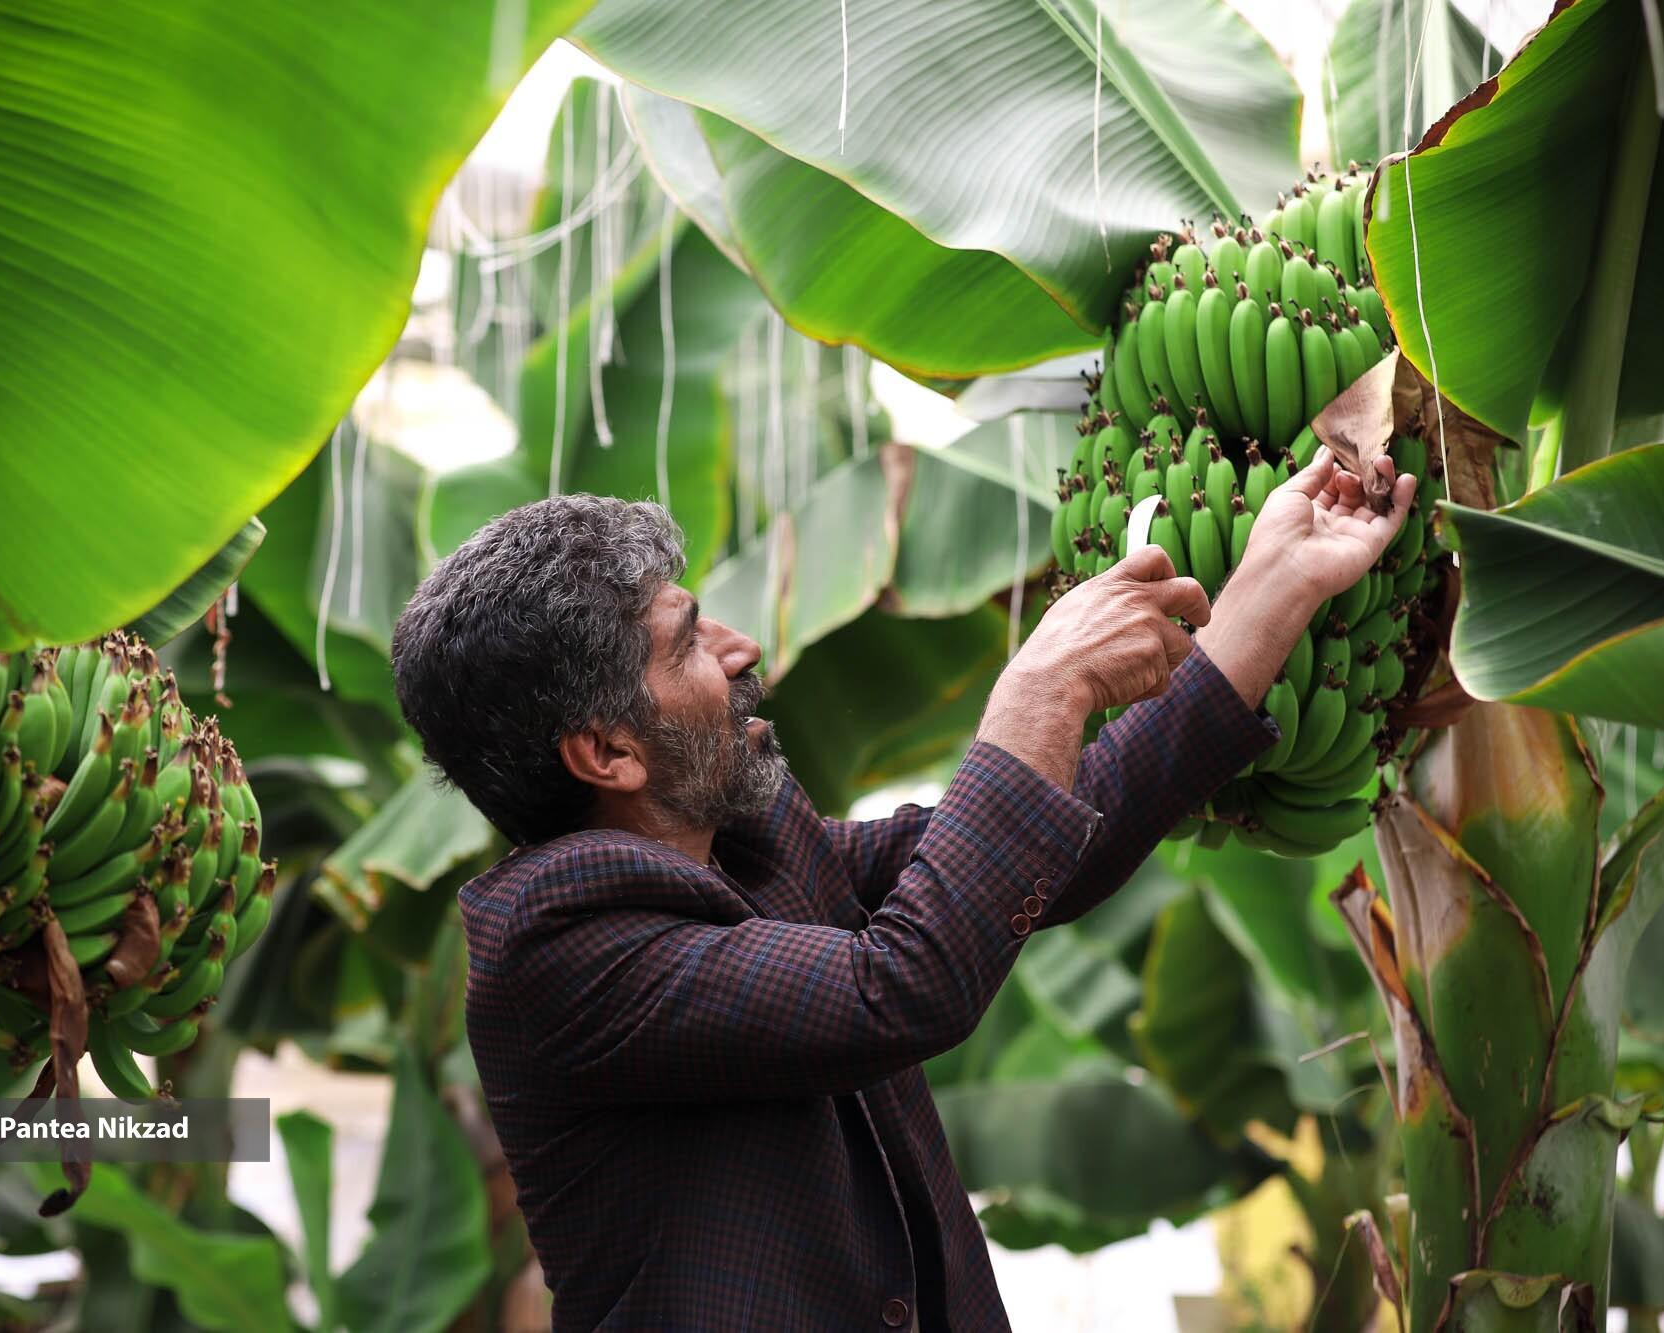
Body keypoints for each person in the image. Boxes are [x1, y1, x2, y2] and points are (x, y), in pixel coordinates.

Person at [390, 446, 1416, 1331]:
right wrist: (1041, 687)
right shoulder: (554, 945)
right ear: (607, 751)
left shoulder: (756, 853)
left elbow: (1037, 848)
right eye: (689, 641)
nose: (741, 650)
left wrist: (1272, 587)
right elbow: (902, 982)